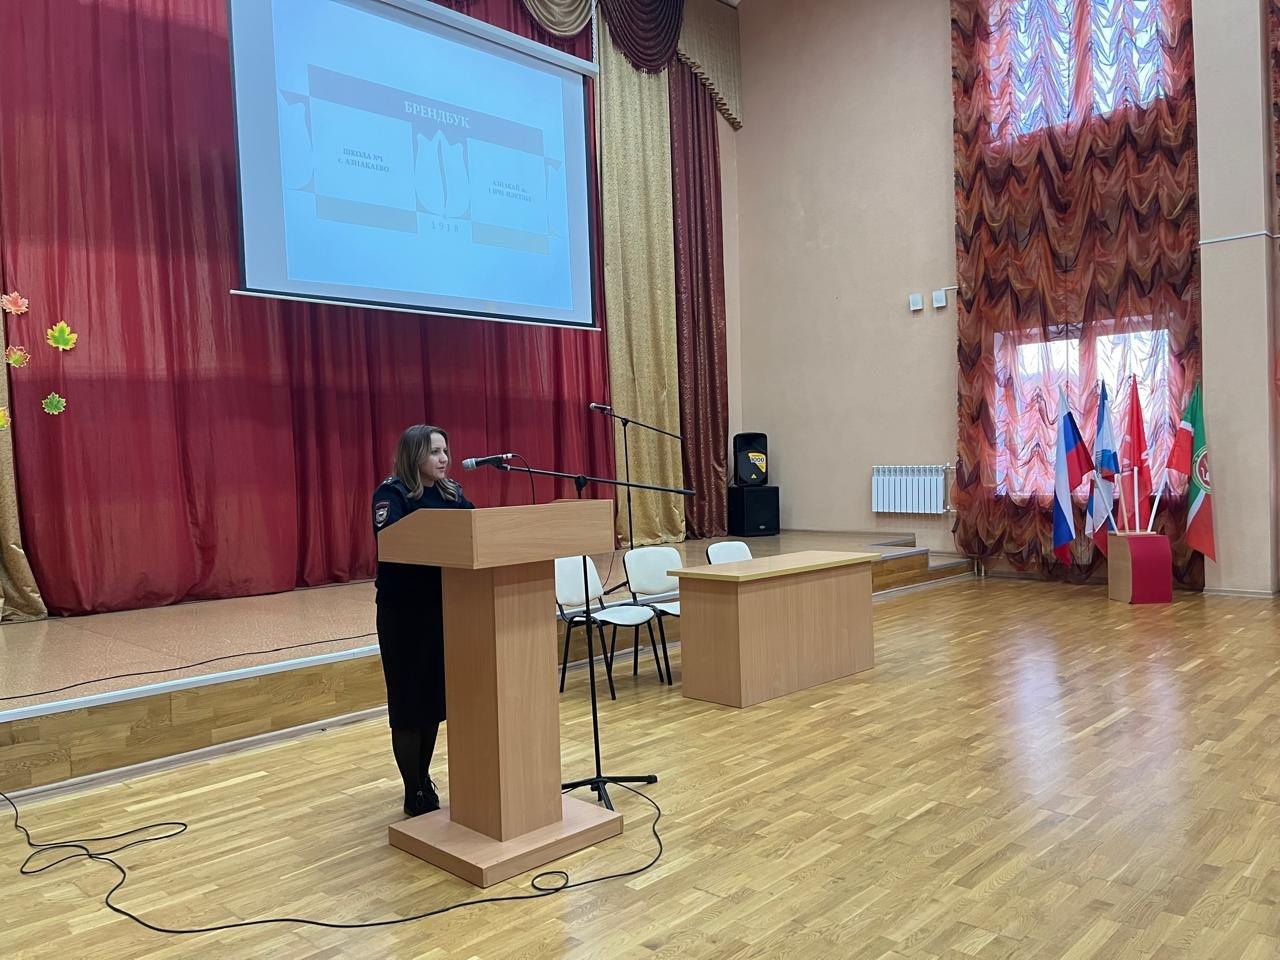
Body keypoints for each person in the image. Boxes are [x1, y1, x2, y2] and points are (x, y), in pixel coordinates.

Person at [371, 424, 475, 817]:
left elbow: (478, 530)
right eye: (434, 451)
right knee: (408, 704)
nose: (444, 458)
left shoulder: (452, 494)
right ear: (414, 455)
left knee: (431, 702)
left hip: (441, 610)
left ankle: (423, 777)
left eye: (445, 450)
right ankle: (411, 787)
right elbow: (393, 543)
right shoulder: (393, 494)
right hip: (404, 615)